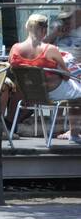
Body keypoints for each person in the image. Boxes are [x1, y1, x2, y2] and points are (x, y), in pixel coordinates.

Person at [10, 13, 81, 143]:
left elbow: (13, 69)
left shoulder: (15, 48)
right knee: (78, 94)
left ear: (27, 28)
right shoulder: (51, 49)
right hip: (52, 92)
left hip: (28, 93)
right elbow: (66, 75)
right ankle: (74, 134)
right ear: (44, 30)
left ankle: (63, 129)